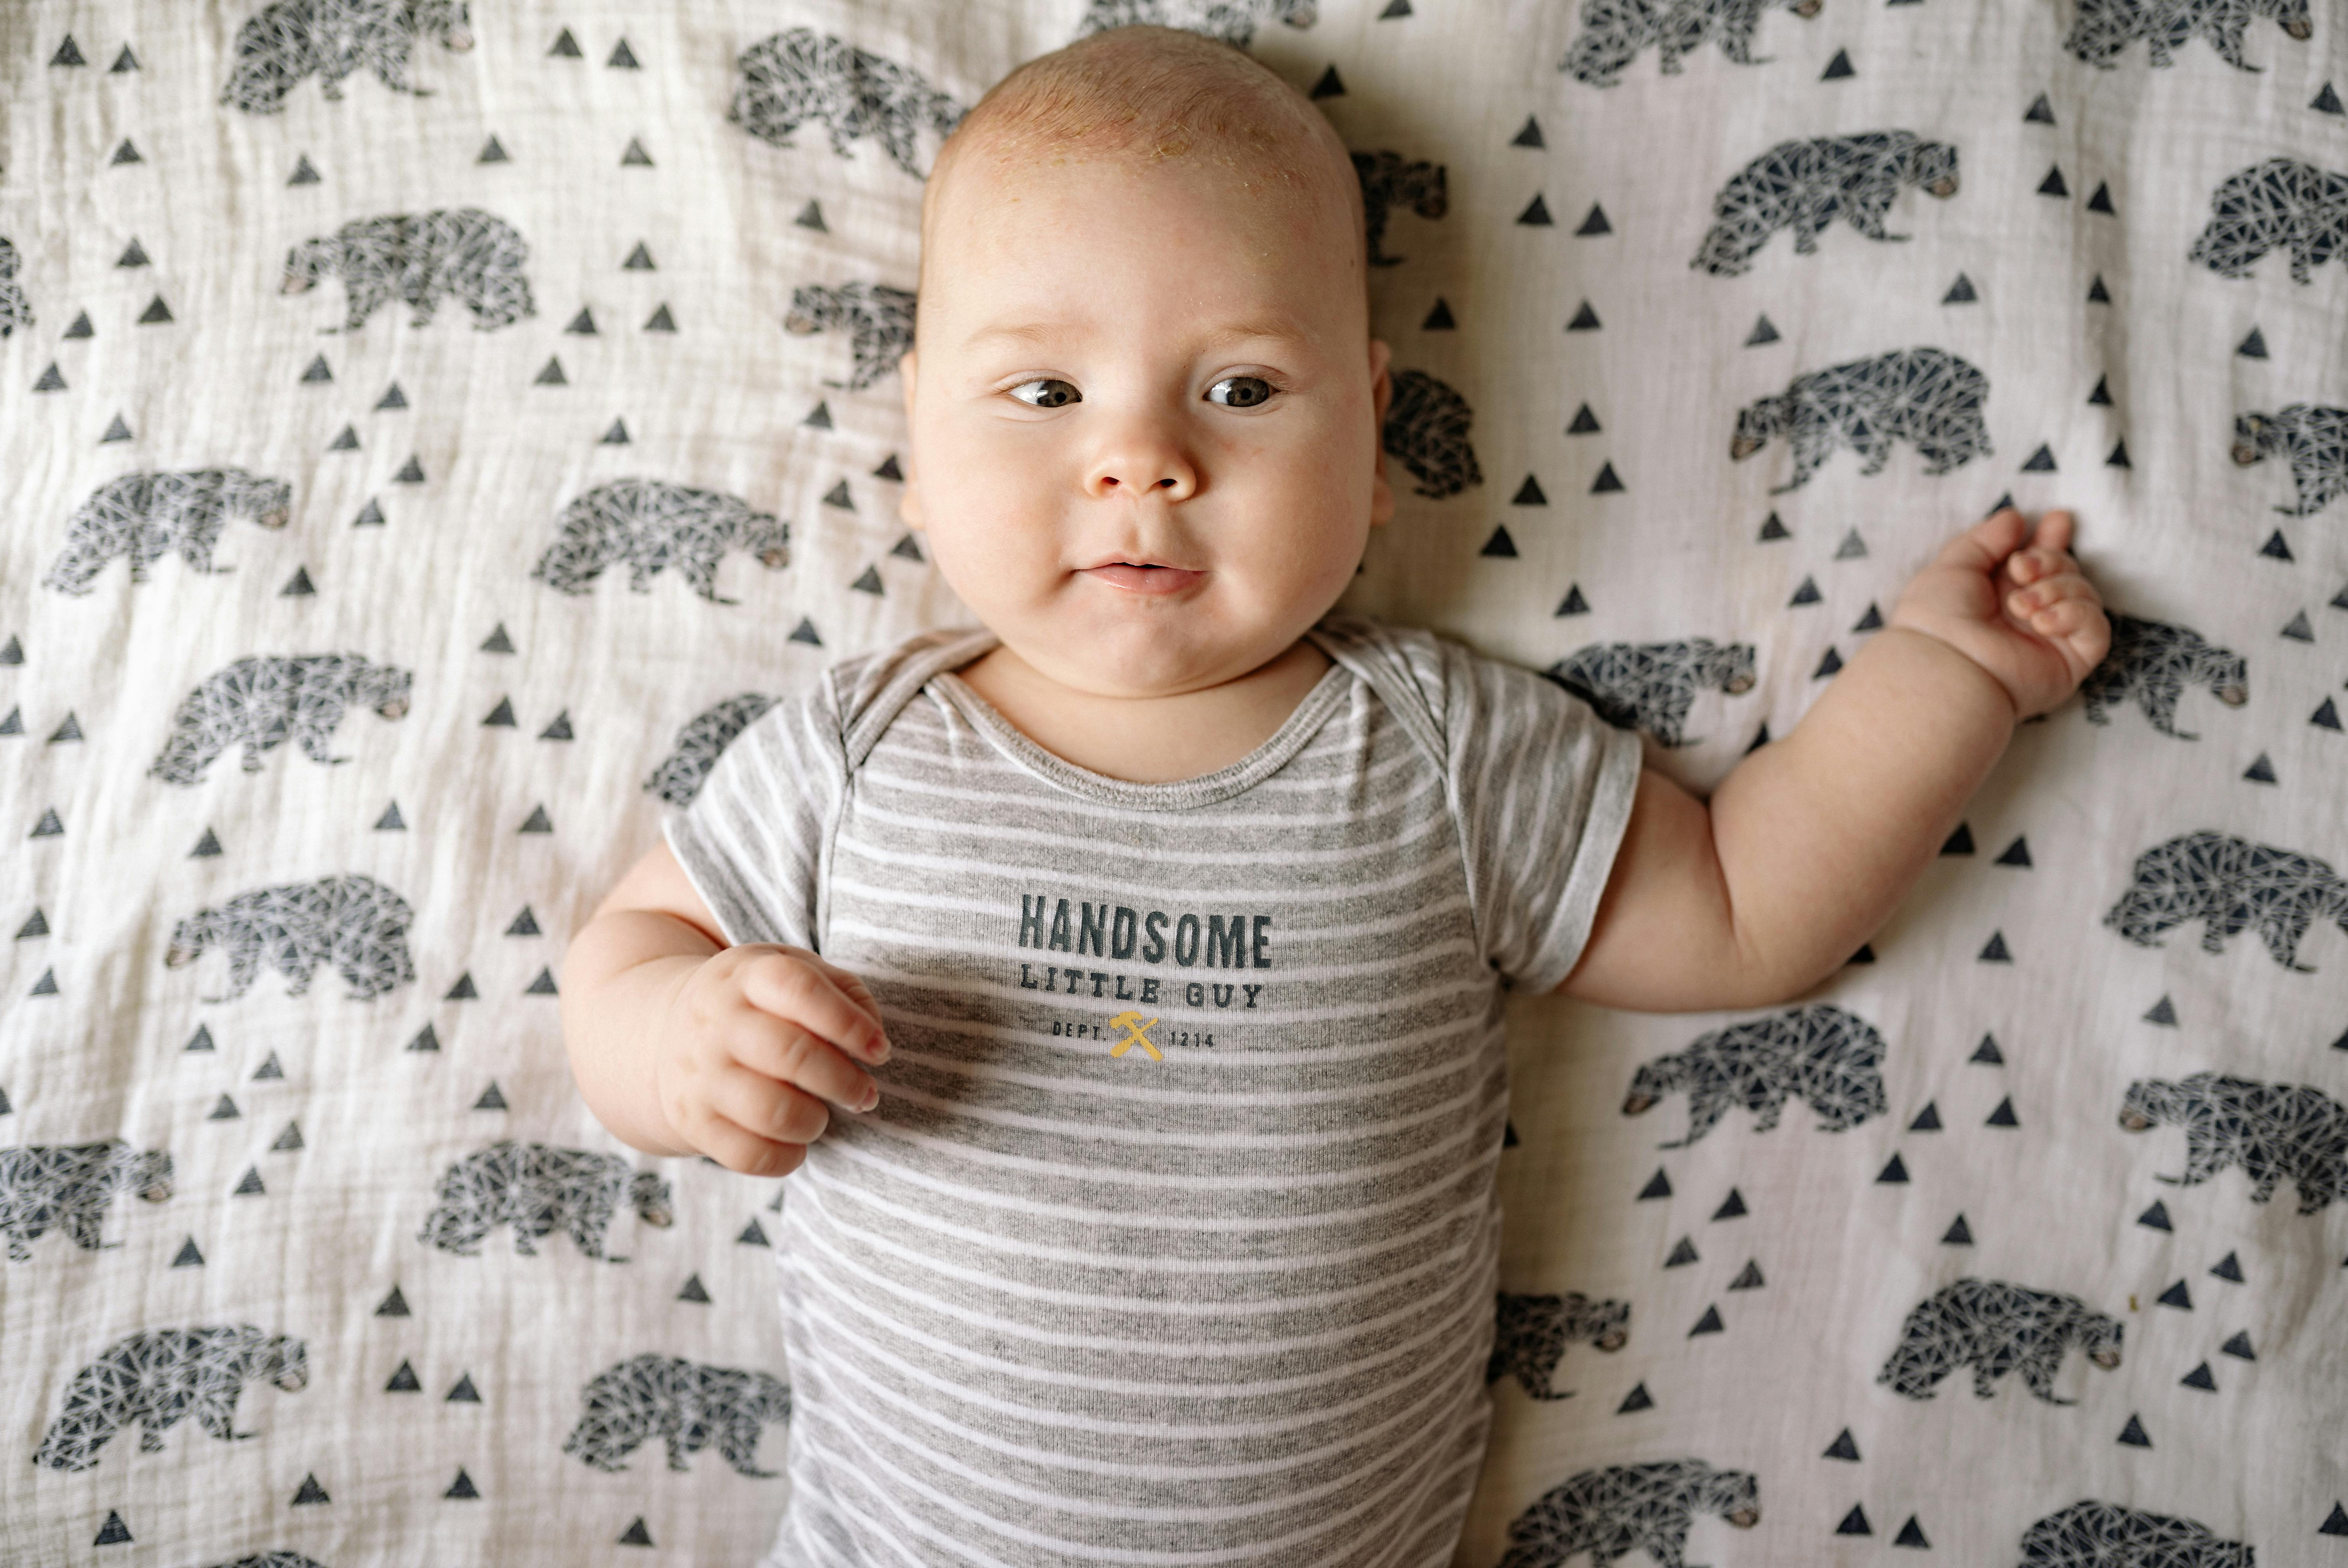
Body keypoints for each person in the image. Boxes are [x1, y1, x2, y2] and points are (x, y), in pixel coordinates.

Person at [557, 22, 2110, 1564]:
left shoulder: (1439, 753)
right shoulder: (854, 753)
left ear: (1375, 433)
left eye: (1240, 387)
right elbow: (618, 968)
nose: (1142, 458)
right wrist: (683, 1041)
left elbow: (1744, 909)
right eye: (1043, 392)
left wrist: (1945, 679)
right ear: (917, 429)